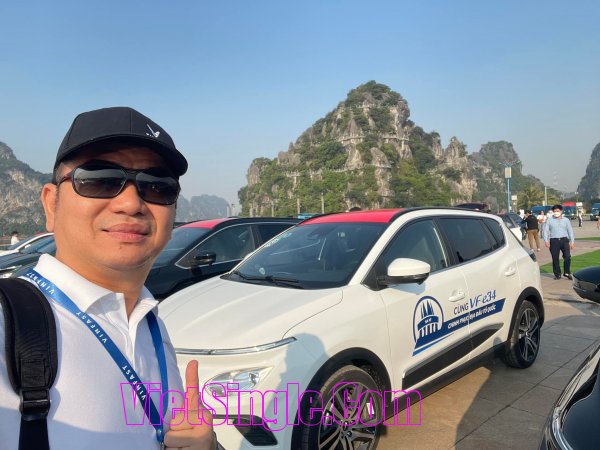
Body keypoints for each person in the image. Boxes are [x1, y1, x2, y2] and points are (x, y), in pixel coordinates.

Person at [0, 107, 216, 449]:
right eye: (99, 178)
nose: (131, 203)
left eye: (157, 186)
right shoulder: (8, 324)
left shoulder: (151, 326)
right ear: (52, 204)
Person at [544, 204, 576, 280]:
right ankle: (557, 274)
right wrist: (546, 240)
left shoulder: (566, 220)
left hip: (564, 240)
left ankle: (567, 272)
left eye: (557, 211)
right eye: (554, 211)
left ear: (561, 211)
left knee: (567, 257)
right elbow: (545, 231)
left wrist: (572, 242)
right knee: (555, 258)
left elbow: (570, 231)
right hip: (554, 240)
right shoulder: (549, 220)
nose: (556, 212)